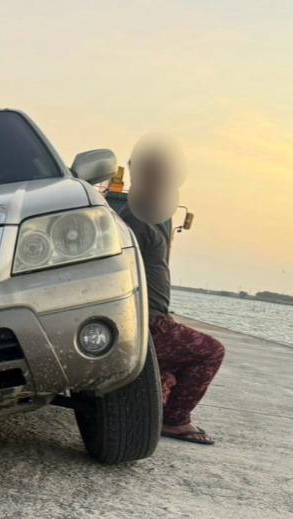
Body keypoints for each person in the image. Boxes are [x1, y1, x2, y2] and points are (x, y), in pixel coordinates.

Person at [117, 134, 224, 445]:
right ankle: (176, 420)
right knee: (211, 352)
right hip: (146, 324)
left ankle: (159, 406)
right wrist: (153, 320)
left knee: (173, 369)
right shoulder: (133, 219)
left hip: (156, 317)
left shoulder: (160, 214)